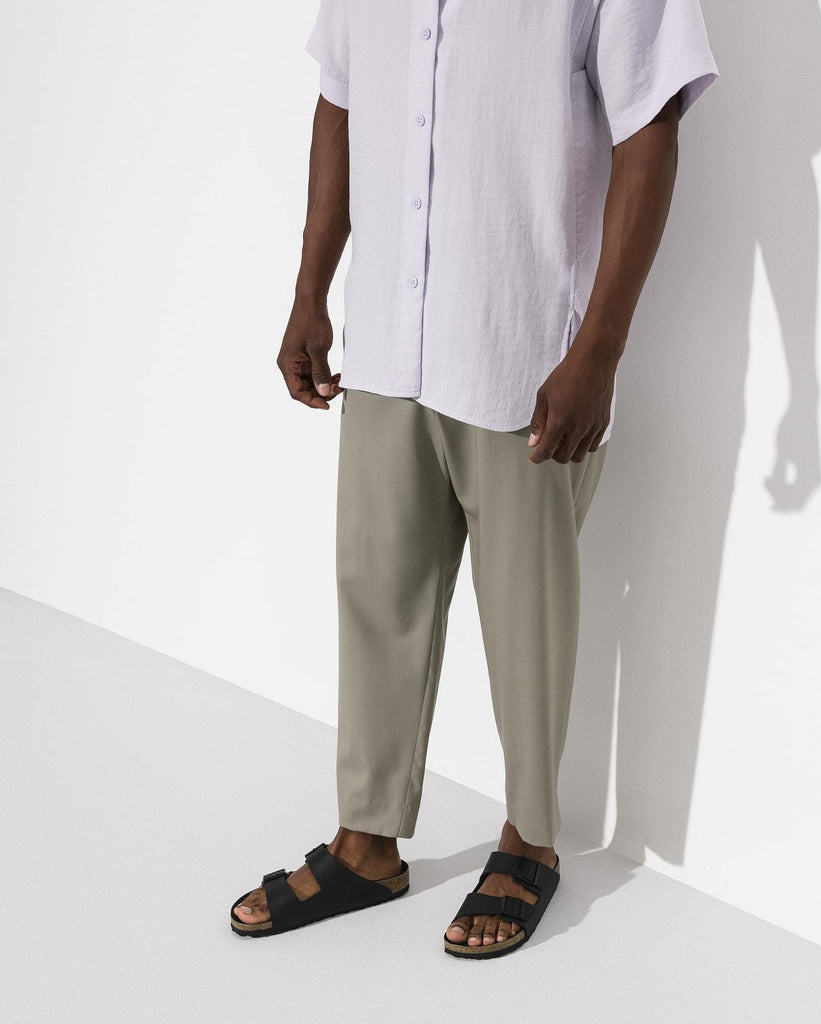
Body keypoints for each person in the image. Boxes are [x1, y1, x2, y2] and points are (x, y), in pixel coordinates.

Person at [229, 0, 719, 958]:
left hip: (521, 347)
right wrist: (309, 291)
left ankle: (530, 841)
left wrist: (600, 349)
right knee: (375, 592)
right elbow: (340, 101)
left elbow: (651, 122)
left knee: (527, 620)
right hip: (389, 338)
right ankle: (366, 843)